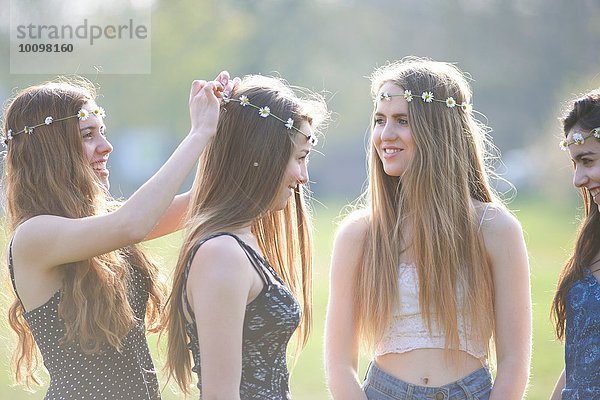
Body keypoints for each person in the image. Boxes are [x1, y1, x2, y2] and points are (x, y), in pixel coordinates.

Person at [3, 72, 229, 399]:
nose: (106, 146)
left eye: (103, 132)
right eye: (87, 135)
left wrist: (224, 126)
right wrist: (198, 133)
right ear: (50, 149)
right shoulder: (33, 236)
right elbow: (133, 223)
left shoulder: (100, 226)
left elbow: (199, 202)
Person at [325, 57, 531, 400]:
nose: (385, 135)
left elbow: (515, 361)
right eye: (379, 120)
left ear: (438, 129)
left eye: (402, 121)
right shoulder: (359, 234)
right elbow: (338, 364)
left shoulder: (494, 228)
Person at [162, 74, 328, 400]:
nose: (304, 177)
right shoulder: (222, 253)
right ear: (263, 155)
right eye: (300, 157)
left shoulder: (242, 242)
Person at [550, 89, 600, 400]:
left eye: (588, 161)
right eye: (575, 164)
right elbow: (580, 357)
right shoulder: (591, 246)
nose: (578, 179)